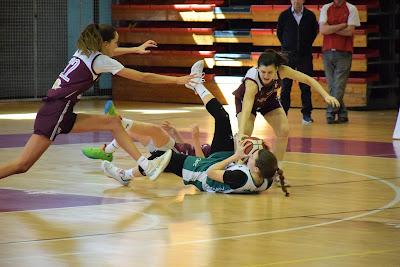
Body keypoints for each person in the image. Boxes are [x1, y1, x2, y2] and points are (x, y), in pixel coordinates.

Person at [0, 23, 198, 180]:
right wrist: (178, 80)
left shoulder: (84, 51)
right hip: (56, 114)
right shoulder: (100, 61)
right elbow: (143, 77)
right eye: (116, 43)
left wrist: (135, 49)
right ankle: (146, 165)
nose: (117, 47)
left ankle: (145, 164)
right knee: (22, 165)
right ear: (104, 44)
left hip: (59, 111)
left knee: (113, 122)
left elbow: (110, 54)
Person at [101, 63, 289, 195]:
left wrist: (236, 155)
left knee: (160, 157)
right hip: (220, 160)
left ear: (255, 168)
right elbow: (259, 168)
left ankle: (124, 175)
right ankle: (197, 85)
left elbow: (210, 172)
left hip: (201, 173)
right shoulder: (265, 181)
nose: (249, 157)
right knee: (223, 118)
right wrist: (243, 154)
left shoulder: (240, 177)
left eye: (252, 158)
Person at [232, 49, 340, 178]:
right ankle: (236, 166)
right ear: (257, 68)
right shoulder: (252, 82)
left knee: (284, 130)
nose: (266, 76)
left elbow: (308, 79)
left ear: (277, 69)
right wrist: (241, 132)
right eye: (263, 72)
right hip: (247, 103)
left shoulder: (283, 70)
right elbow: (247, 108)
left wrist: (326, 95)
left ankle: (276, 170)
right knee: (245, 133)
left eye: (270, 72)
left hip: (268, 99)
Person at [81, 100, 211, 162]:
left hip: (174, 156)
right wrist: (174, 131)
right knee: (131, 132)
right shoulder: (219, 146)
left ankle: (119, 120)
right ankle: (107, 152)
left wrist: (196, 138)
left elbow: (201, 163)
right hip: (174, 149)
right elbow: (185, 147)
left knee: (155, 130)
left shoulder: (219, 155)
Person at [277, 0, 319, 124]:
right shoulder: (284, 15)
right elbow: (280, 34)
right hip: (287, 56)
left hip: (304, 56)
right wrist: (288, 47)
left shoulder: (310, 16)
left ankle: (306, 115)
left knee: (306, 85)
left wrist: (304, 46)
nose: (296, 1)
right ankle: (283, 114)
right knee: (285, 87)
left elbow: (313, 33)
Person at [319, 0, 360, 124]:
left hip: (344, 52)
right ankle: (342, 113)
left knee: (339, 85)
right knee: (333, 86)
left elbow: (350, 31)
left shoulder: (351, 8)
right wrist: (341, 25)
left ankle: (330, 112)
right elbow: (323, 30)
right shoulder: (326, 8)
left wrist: (331, 28)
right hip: (327, 52)